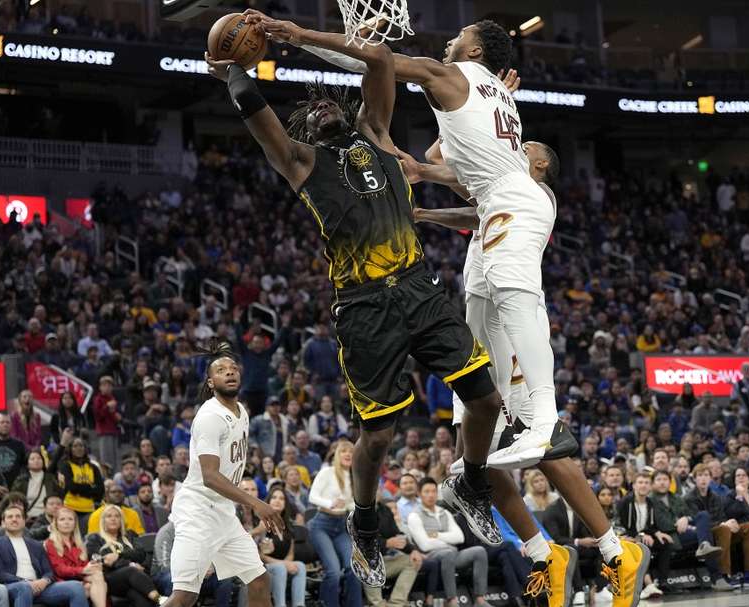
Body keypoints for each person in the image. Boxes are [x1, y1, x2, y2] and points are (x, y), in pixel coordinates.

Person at [207, 15, 508, 591]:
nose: (321, 107)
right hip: (365, 307)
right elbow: (257, 116)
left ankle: (470, 481)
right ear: (306, 128)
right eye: (310, 110)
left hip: (420, 288)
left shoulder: (375, 132)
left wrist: (298, 36)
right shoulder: (301, 163)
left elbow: (378, 61)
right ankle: (365, 520)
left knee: (486, 398)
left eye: (327, 103)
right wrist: (232, 73)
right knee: (377, 438)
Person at [402, 129, 640, 607]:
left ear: (539, 168)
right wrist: (427, 211)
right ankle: (542, 554)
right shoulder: (501, 194)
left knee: (537, 442)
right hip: (481, 323)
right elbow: (470, 201)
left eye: (526, 148)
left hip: (509, 326)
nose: (518, 146)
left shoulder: (536, 193)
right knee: (479, 456)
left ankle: (617, 550)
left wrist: (429, 168)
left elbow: (437, 163)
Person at [160, 341, 283, 607]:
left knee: (260, 580)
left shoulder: (243, 413)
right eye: (221, 370)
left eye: (233, 368)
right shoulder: (209, 417)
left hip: (224, 513)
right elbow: (210, 476)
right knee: (184, 597)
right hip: (198, 512)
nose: (229, 372)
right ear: (210, 382)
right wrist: (256, 502)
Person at [407, 477, 489, 607]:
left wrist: (436, 535)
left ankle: (480, 599)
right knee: (447, 553)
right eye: (426, 491)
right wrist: (448, 541)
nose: (431, 495)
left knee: (479, 551)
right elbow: (425, 545)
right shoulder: (414, 516)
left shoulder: (444, 512)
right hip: (430, 556)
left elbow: (459, 537)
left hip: (452, 554)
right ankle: (452, 600)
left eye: (433, 491)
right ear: (419, 493)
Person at [0, 502, 87, 607]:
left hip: (40, 587)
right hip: (13, 587)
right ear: (3, 523)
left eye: (18, 516)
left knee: (77, 587)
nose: (14, 519)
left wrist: (44, 581)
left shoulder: (36, 545)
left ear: (24, 522)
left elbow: (49, 572)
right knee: (24, 587)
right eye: (10, 517)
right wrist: (27, 582)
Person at [307, 441, 359, 607]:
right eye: (344, 451)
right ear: (337, 455)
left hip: (342, 526)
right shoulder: (327, 472)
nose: (348, 454)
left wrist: (352, 505)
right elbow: (312, 497)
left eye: (351, 452)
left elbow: (351, 504)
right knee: (334, 571)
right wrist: (331, 503)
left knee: (354, 568)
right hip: (321, 525)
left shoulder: (354, 476)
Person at [85, 504, 164, 607]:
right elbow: (104, 560)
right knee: (130, 570)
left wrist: (119, 555)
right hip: (110, 580)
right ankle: (162, 601)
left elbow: (140, 553)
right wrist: (130, 564)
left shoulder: (129, 535)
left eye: (117, 516)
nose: (113, 519)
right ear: (103, 520)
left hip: (134, 580)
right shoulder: (95, 538)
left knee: (140, 598)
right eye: (109, 516)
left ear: (121, 520)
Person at [151, 522, 234, 607]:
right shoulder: (167, 531)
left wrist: (211, 567)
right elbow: (165, 565)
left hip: (196, 575)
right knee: (174, 581)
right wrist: (192, 572)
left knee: (224, 578)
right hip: (164, 575)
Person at [44, 507, 107, 607]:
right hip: (60, 581)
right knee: (93, 585)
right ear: (56, 523)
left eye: (70, 519)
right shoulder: (50, 543)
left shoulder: (79, 543)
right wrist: (83, 570)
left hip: (78, 579)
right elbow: (60, 570)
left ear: (75, 523)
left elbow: (84, 565)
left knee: (97, 575)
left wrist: (92, 566)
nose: (67, 522)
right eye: (62, 519)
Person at [365, 497, 420, 607]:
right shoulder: (356, 511)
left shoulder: (385, 509)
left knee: (412, 561)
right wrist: (385, 543)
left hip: (384, 561)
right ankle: (377, 604)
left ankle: (396, 604)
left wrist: (413, 550)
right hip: (363, 562)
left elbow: (396, 534)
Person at [258, 487, 306, 607]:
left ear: (285, 504)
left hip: (280, 565)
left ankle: (299, 604)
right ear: (268, 501)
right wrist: (284, 564)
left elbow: (290, 554)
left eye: (281, 498)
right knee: (280, 568)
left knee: (300, 565)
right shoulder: (263, 523)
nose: (277, 501)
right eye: (274, 497)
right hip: (264, 567)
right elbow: (261, 556)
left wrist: (287, 563)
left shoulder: (288, 526)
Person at [58, 438, 104, 532]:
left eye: (81, 446)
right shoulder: (66, 466)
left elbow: (100, 490)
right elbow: (71, 487)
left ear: (85, 448)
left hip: (89, 509)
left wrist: (79, 489)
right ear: (70, 449)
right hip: (70, 509)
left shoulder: (93, 467)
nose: (79, 448)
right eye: (75, 446)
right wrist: (90, 488)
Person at [11, 451, 60, 521]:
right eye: (32, 459)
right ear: (27, 463)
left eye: (39, 458)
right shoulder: (21, 480)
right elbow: (14, 498)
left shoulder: (51, 478)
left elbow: (59, 496)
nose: (36, 460)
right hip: (27, 517)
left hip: (47, 517)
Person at [0, 412, 27, 487]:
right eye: (2, 422)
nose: (5, 425)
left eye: (8, 422)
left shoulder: (19, 445)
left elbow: (25, 467)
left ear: (11, 425)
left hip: (15, 490)